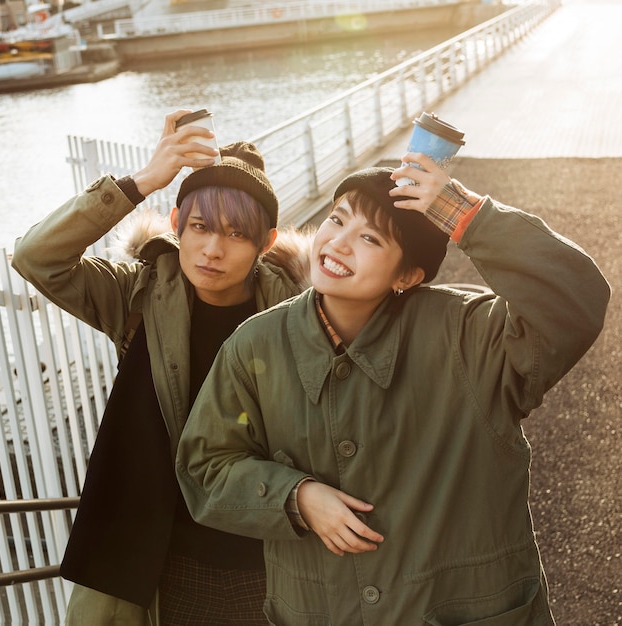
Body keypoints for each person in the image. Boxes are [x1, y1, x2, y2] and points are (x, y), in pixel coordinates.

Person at [176, 152, 611, 625]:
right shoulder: (255, 346)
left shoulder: (469, 334)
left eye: (369, 237)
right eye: (336, 220)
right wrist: (294, 496)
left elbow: (575, 298)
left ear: (408, 276)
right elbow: (205, 467)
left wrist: (464, 214)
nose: (339, 243)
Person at [12, 110, 312, 625]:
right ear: (177, 226)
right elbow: (36, 257)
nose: (213, 249)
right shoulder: (138, 292)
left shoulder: (298, 313)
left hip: (263, 555)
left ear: (265, 244)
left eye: (237, 235)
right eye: (200, 227)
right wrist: (142, 182)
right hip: (152, 557)